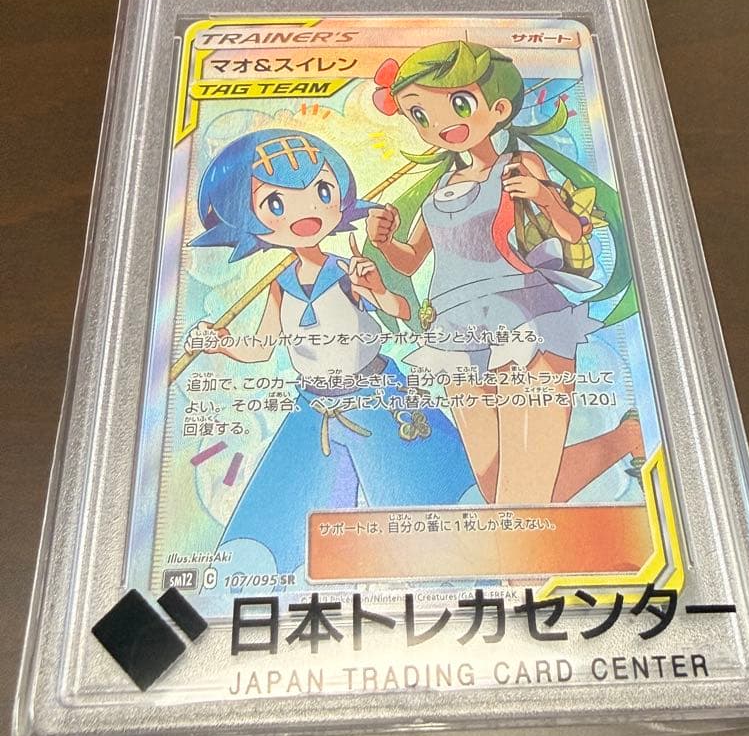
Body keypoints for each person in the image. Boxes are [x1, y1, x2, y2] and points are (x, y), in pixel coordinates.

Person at [186, 128, 478, 578]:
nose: (305, 211)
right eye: (276, 203)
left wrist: (374, 288)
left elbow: (402, 311)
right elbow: (261, 350)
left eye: (321, 192)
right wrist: (220, 341)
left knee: (433, 507)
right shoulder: (280, 288)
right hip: (315, 408)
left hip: (377, 397)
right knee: (281, 524)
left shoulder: (349, 271)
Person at [368, 41, 644, 505]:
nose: (440, 124)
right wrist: (383, 242)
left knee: (523, 494)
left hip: (524, 319)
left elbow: (573, 232)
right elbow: (411, 260)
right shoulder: (440, 188)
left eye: (459, 104)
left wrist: (543, 195)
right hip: (456, 334)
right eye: (420, 114)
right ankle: (626, 439)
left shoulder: (517, 166)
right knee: (498, 491)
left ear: (498, 109)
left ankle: (627, 438)